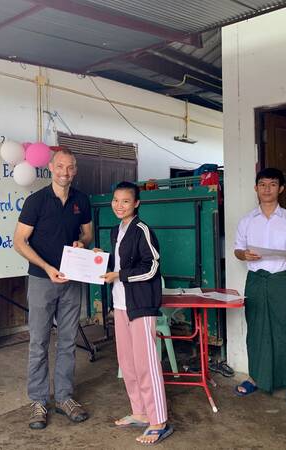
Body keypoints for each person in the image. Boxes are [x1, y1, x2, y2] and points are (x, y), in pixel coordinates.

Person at [13, 148, 93, 430]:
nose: (65, 172)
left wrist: (82, 243)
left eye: (70, 167)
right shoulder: (36, 201)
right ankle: (38, 400)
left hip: (72, 279)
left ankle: (64, 397)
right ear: (50, 167)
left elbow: (87, 233)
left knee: (68, 341)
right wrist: (47, 267)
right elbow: (20, 241)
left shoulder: (81, 200)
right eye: (60, 166)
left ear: (75, 169)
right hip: (41, 279)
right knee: (39, 342)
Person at [97, 181, 173, 445]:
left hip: (140, 304)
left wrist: (119, 274)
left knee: (146, 364)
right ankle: (140, 412)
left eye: (126, 201)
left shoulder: (142, 230)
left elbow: (151, 267)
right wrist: (102, 259)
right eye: (116, 200)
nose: (119, 205)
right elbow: (119, 262)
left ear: (137, 204)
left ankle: (159, 420)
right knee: (127, 363)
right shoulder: (115, 230)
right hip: (120, 304)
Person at [233, 167, 286, 406]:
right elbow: (237, 249)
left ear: (281, 189)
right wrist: (244, 255)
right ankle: (255, 378)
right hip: (256, 280)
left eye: (273, 184)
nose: (267, 189)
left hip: (281, 280)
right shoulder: (246, 220)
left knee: (285, 329)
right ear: (256, 188)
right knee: (256, 329)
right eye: (263, 184)